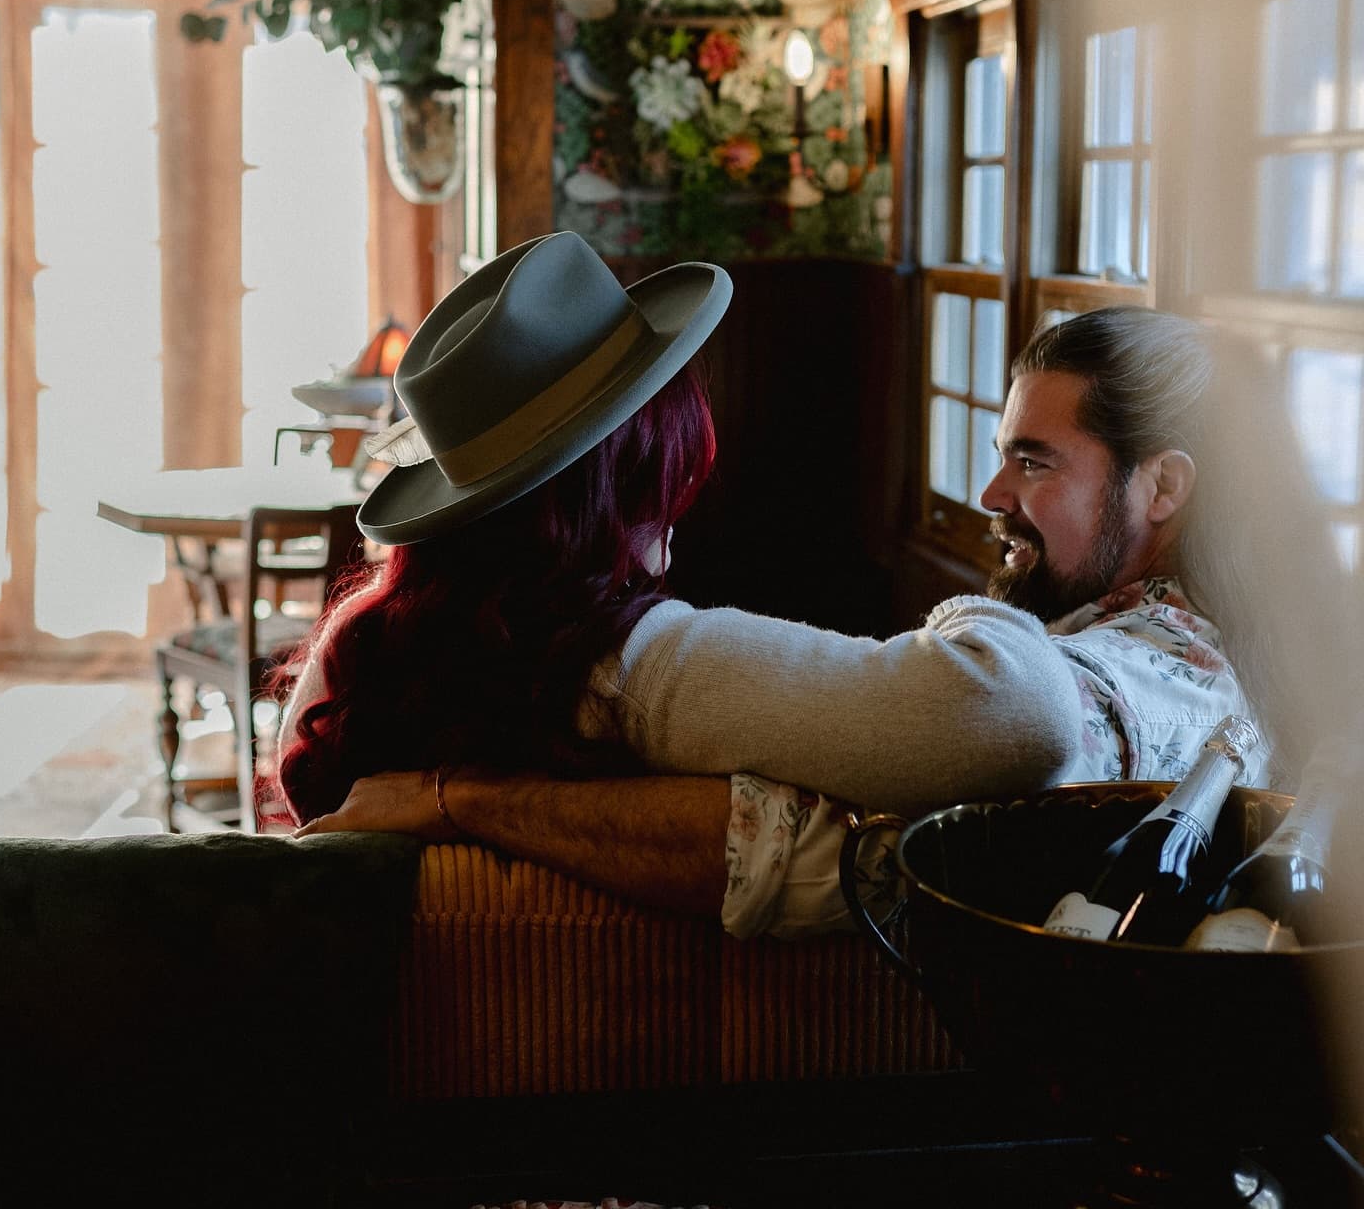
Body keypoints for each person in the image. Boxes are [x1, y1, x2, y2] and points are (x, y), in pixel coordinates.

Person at [287, 240, 1329, 937]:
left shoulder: (370, 650)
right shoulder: (589, 664)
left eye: (1036, 462)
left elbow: (926, 784)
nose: (990, 491)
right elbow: (979, 722)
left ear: (1166, 488)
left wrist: (461, 799)